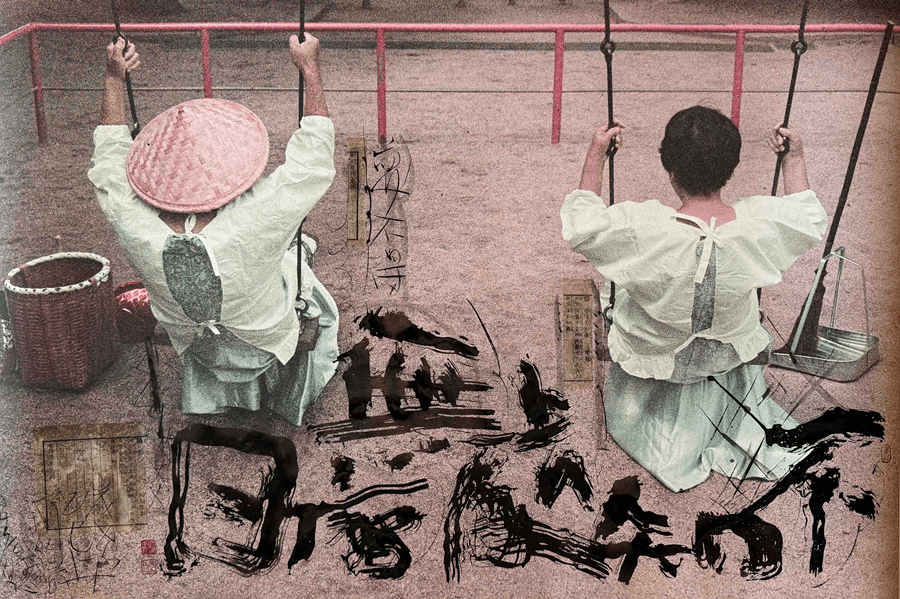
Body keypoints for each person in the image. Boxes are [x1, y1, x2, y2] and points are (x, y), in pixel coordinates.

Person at [561, 106, 827, 492]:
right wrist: (794, 157)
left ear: (669, 168)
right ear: (731, 167)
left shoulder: (643, 227)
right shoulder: (759, 223)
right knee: (719, 284)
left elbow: (581, 225)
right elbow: (809, 216)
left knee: (617, 281)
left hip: (655, 348)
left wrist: (596, 155)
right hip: (726, 351)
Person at [89, 34, 339, 426]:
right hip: (265, 341)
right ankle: (289, 389)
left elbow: (108, 156)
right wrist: (310, 68)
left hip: (196, 344)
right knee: (297, 269)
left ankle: (214, 392)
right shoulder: (257, 214)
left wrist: (113, 78)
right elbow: (314, 158)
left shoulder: (131, 217)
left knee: (271, 260)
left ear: (156, 172)